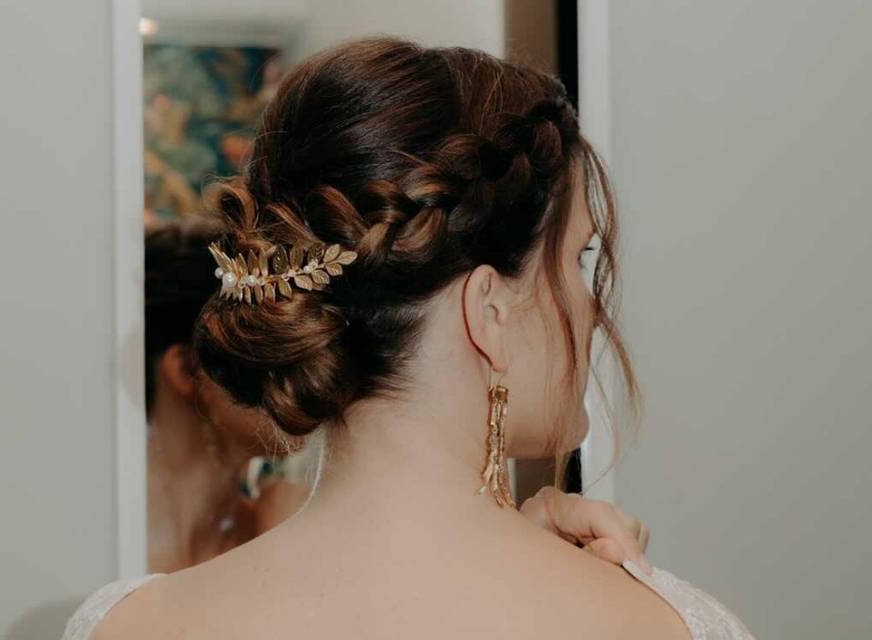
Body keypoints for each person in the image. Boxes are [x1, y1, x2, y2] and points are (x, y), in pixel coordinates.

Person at [66, 38, 754, 639]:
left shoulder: (123, 626)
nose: (594, 310)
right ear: (488, 310)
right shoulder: (666, 627)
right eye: (577, 260)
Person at [144, 218, 312, 573]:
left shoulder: (282, 521)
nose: (307, 374)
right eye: (266, 352)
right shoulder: (110, 541)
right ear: (187, 370)